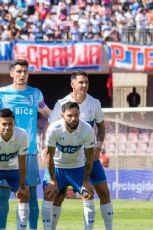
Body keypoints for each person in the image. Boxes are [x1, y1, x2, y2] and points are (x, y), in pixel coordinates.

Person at [0, 58, 51, 230]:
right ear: (11, 73)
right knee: (3, 194)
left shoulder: (35, 94)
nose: (22, 75)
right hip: (6, 152)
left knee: (30, 195)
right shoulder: (0, 93)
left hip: (29, 152)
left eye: (25, 72)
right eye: (18, 71)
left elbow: (49, 114)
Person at [47, 71, 113, 230]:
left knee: (103, 192)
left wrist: (98, 146)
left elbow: (101, 127)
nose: (84, 85)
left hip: (88, 157)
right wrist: (46, 148)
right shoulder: (62, 103)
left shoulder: (94, 103)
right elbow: (51, 128)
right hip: (66, 159)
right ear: (72, 84)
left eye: (86, 82)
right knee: (58, 196)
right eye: (81, 82)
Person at [42, 102, 95, 230]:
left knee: (88, 194)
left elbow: (89, 157)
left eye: (76, 115)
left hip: (77, 167)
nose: (73, 119)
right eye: (69, 115)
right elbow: (49, 156)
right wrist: (53, 180)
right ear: (62, 116)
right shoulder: (54, 129)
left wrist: (86, 180)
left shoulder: (87, 129)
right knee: (50, 195)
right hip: (57, 167)